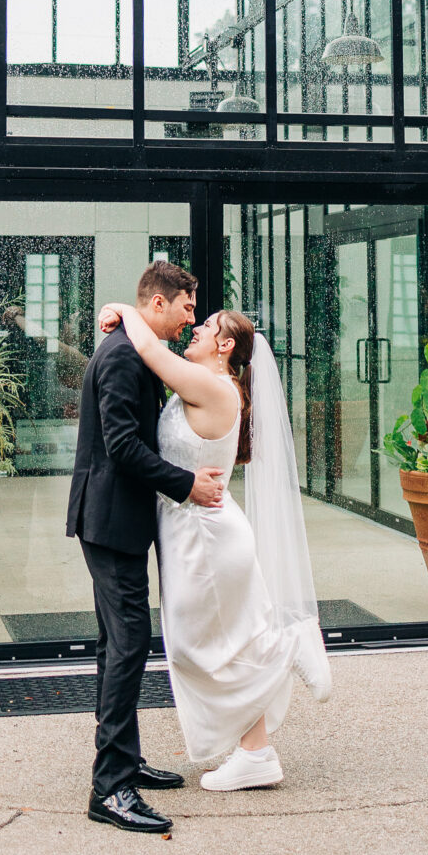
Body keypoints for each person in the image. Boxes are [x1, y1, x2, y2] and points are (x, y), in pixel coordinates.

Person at [97, 296, 331, 793]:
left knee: (191, 649)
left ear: (225, 346)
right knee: (223, 645)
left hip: (205, 537)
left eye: (206, 325)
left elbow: (148, 349)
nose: (196, 328)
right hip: (194, 532)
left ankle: (288, 645)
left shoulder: (211, 384)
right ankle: (255, 753)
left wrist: (123, 308)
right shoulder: (201, 382)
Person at [65, 262, 225, 835]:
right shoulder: (123, 356)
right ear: (159, 303)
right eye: (187, 307)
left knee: (117, 644)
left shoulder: (134, 347)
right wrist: (186, 484)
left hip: (118, 520)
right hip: (110, 522)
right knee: (129, 643)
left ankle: (124, 761)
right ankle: (110, 788)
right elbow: (122, 446)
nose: (190, 318)